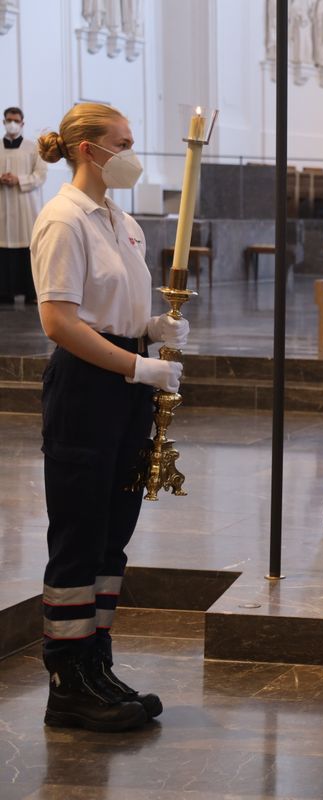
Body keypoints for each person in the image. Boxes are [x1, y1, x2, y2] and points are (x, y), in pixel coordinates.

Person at [31, 102, 187, 732]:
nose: (131, 151)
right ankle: (67, 680)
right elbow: (59, 322)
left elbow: (115, 308)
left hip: (124, 380)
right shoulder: (63, 219)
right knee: (78, 533)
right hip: (86, 387)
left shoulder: (122, 222)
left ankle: (97, 664)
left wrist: (151, 329)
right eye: (121, 142)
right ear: (86, 149)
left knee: (111, 533)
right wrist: (133, 366)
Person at [0, 106, 46, 304]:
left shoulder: (32, 147)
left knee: (28, 247)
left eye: (16, 120)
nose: (12, 124)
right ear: (3, 122)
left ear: (22, 123)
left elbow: (41, 175)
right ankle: (4, 293)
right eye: (8, 120)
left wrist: (19, 179)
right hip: (3, 203)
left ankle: (31, 292)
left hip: (25, 205)